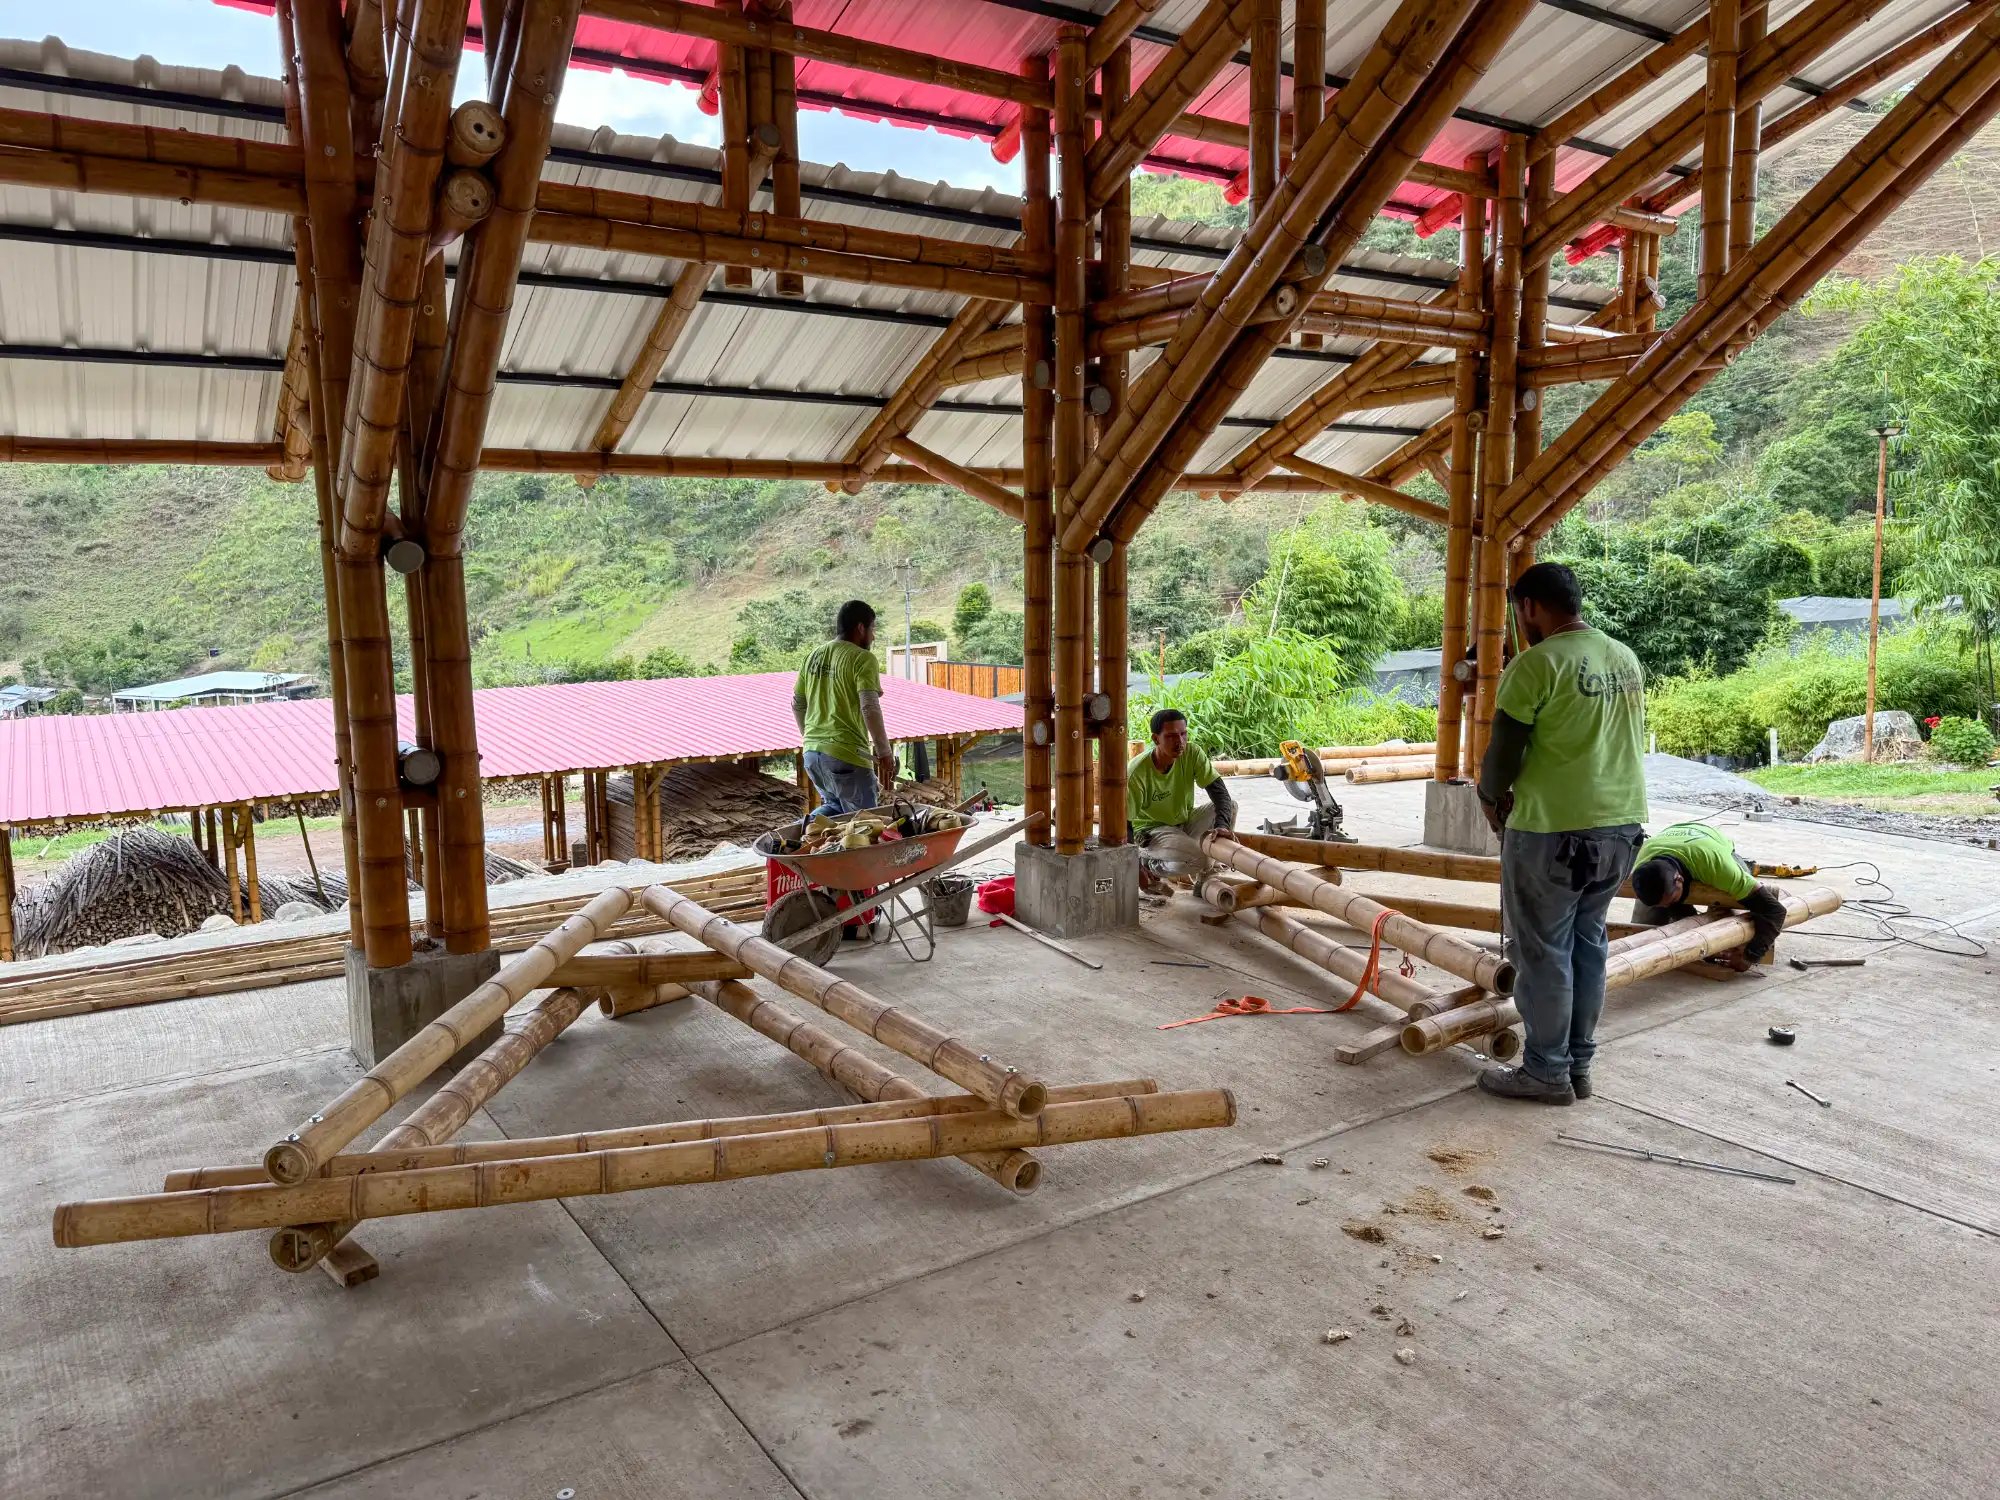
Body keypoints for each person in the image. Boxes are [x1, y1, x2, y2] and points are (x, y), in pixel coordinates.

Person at [1477, 562, 1648, 1106]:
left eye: (1518, 611)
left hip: (1552, 830)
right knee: (1587, 944)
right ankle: (1578, 1066)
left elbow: (1500, 760)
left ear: (1529, 607)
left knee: (1544, 952)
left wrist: (1487, 797)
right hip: (1621, 827)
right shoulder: (1623, 657)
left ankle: (1546, 1072)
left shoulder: (1535, 665)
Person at [1629, 821, 1788, 970]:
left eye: (1668, 900)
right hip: (1672, 842)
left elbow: (1775, 911)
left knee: (1736, 920)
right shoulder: (1640, 864)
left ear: (1680, 879)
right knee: (1643, 928)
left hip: (1709, 847)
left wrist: (1750, 957)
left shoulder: (1719, 867)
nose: (1664, 907)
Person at [793, 599, 898, 816]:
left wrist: (812, 738)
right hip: (847, 757)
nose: (873, 636)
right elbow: (869, 707)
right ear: (861, 628)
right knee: (865, 824)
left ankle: (794, 841)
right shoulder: (863, 658)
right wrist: (884, 752)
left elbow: (797, 704)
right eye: (873, 629)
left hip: (812, 755)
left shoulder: (812, 656)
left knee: (834, 809)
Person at [1128, 708, 1237, 893]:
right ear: (1156, 739)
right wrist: (1135, 870)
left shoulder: (1192, 753)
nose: (1180, 742)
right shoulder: (1137, 772)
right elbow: (1124, 825)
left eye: (1183, 734)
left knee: (1230, 807)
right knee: (1198, 859)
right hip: (1151, 832)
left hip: (1184, 821)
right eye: (1171, 736)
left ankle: (1204, 879)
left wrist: (1222, 826)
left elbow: (1220, 793)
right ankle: (1150, 863)